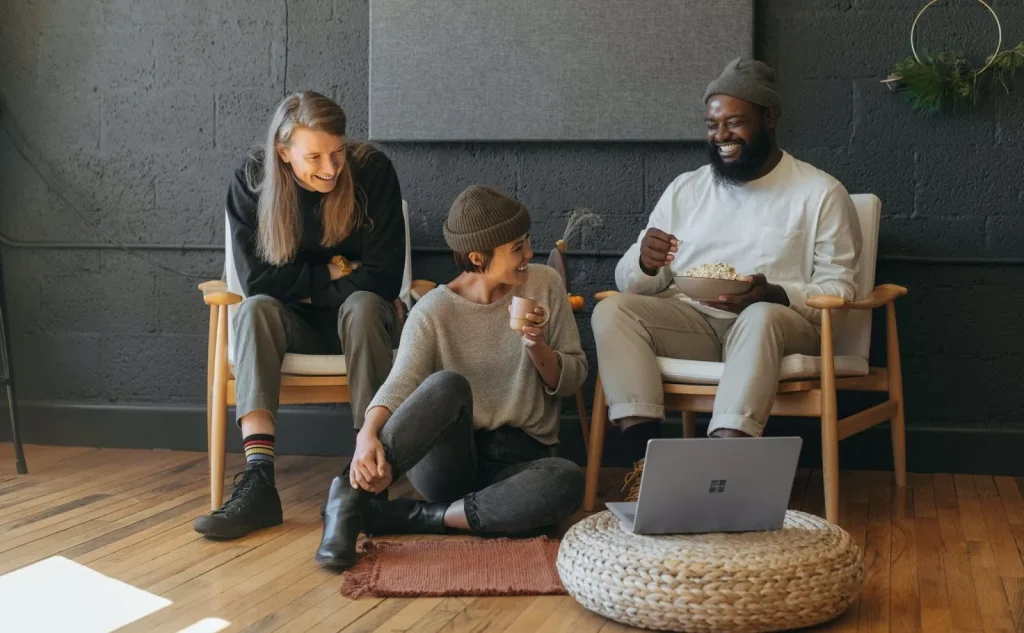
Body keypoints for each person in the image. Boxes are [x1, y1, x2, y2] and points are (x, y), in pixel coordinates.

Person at [592, 57, 862, 462]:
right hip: (696, 324)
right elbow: (632, 283)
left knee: (761, 316)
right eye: (712, 125)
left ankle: (722, 466)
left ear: (769, 118)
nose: (721, 136)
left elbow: (840, 291)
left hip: (781, 329)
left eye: (734, 123)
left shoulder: (820, 192)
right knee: (613, 311)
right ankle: (643, 467)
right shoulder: (686, 189)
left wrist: (777, 294)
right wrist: (646, 263)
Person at [314, 185, 588, 568]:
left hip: (521, 462)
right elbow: (400, 383)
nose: (529, 253)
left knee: (566, 479)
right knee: (446, 385)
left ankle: (417, 517)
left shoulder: (544, 284)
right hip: (449, 463)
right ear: (478, 256)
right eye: (517, 248)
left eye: (527, 241)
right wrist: (366, 436)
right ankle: (349, 497)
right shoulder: (433, 311)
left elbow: (574, 377)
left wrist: (537, 347)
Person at [194, 91, 406, 539]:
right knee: (254, 311)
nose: (331, 168)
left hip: (365, 326)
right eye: (315, 157)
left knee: (364, 306)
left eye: (338, 152)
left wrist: (299, 286)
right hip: (292, 328)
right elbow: (256, 282)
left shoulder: (372, 172)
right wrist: (337, 270)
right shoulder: (252, 180)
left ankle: (368, 476)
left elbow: (384, 280)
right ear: (283, 152)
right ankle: (259, 481)